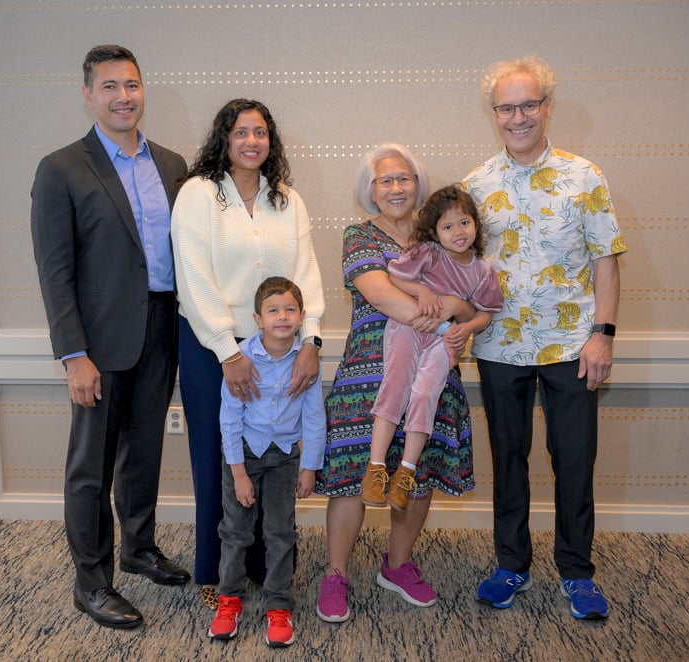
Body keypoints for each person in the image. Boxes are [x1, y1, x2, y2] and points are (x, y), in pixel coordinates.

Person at [30, 44, 191, 629]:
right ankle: (92, 583)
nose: (124, 97)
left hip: (164, 328)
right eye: (110, 87)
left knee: (144, 449)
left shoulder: (173, 164)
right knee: (91, 465)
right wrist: (75, 355)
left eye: (132, 85)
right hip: (98, 342)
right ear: (88, 95)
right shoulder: (62, 168)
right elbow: (56, 270)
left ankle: (140, 549)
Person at [462, 55, 627, 620]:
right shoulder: (475, 186)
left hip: (573, 344)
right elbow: (463, 268)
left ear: (547, 106)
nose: (517, 117)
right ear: (494, 114)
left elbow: (606, 260)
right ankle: (511, 565)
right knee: (508, 458)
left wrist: (603, 334)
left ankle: (577, 573)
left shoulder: (586, 176)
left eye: (528, 104)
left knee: (574, 459)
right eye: (506, 107)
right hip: (500, 346)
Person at [315, 143, 480, 622]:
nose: (395, 188)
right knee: (351, 479)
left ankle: (398, 565)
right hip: (370, 373)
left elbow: (472, 298)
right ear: (370, 191)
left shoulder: (442, 239)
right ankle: (335, 573)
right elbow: (384, 298)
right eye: (384, 180)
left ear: (418, 184)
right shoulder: (360, 237)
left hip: (431, 375)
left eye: (403, 178)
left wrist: (459, 311)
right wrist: (450, 323)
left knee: (417, 473)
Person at [171, 99, 325, 611]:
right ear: (224, 138)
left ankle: (266, 567)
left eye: (260, 132)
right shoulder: (198, 194)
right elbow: (192, 274)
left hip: (279, 342)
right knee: (221, 455)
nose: (252, 141)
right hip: (212, 346)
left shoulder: (287, 200)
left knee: (276, 451)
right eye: (241, 132)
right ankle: (218, 568)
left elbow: (305, 272)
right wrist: (226, 351)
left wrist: (312, 341)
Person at [364, 185, 505, 512]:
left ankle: (405, 474)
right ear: (435, 232)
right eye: (448, 226)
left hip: (445, 340)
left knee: (426, 394)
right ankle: (375, 468)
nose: (458, 232)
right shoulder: (427, 253)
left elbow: (486, 313)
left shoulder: (483, 272)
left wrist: (466, 328)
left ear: (475, 225)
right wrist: (421, 292)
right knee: (397, 385)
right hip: (409, 329)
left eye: (464, 223)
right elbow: (395, 278)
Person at [208, 277, 326, 648]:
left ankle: (279, 605)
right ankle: (229, 600)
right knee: (236, 532)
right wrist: (238, 473)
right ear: (258, 318)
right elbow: (229, 419)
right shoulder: (241, 359)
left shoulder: (307, 362)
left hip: (285, 458)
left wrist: (309, 467)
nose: (282, 317)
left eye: (290, 309)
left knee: (280, 533)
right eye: (273, 310)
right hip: (244, 456)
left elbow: (314, 418)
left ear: (302, 316)